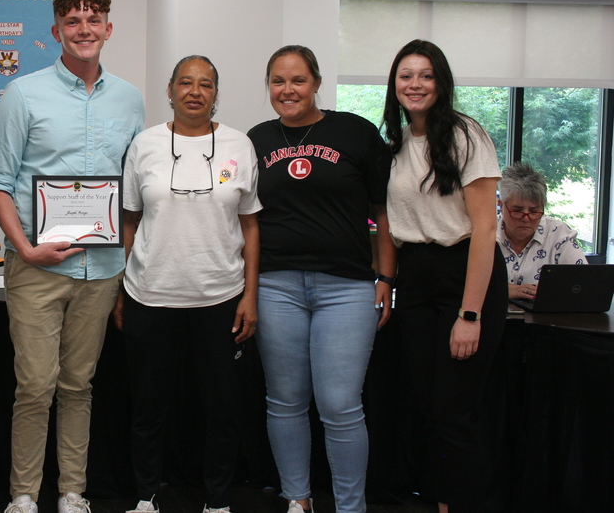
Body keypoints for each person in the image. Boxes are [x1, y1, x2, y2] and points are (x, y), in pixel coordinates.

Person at [0, 0, 145, 513]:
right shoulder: (22, 95)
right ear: (56, 31)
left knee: (80, 384)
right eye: (72, 20)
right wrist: (24, 249)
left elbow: (134, 188)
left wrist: (126, 253)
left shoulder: (130, 99)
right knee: (34, 386)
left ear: (108, 29)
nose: (83, 29)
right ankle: (24, 494)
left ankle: (72, 492)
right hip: (36, 267)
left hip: (101, 268)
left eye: (93, 19)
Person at [246, 45, 393, 513]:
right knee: (285, 400)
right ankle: (298, 500)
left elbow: (383, 213)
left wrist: (386, 277)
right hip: (276, 286)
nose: (287, 90)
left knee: (340, 405)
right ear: (268, 86)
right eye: (277, 81)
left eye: (297, 80)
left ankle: (351, 507)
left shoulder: (355, 131)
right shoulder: (256, 139)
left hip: (346, 288)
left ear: (316, 82)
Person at [114, 55, 261, 513]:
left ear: (216, 93)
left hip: (220, 296)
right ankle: (145, 496)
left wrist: (250, 295)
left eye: (205, 84)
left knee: (222, 409)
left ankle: (217, 500)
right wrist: (122, 288)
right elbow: (129, 220)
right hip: (151, 294)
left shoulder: (240, 144)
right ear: (170, 89)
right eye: (186, 83)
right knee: (148, 408)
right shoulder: (145, 144)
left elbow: (252, 225)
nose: (195, 91)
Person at [383, 39, 508, 513]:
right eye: (406, 76)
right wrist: (388, 283)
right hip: (416, 279)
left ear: (442, 82)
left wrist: (470, 313)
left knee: (454, 413)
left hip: (465, 276)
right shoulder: (395, 142)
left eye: (426, 75)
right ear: (394, 85)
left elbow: (484, 228)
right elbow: (391, 226)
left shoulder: (465, 135)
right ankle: (442, 502)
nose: (415, 84)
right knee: (429, 409)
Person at [496, 162, 587, 301]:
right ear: (501, 205)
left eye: (534, 211)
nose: (526, 219)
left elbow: (582, 284)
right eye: (517, 211)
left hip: (544, 320)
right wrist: (502, 290)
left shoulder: (559, 235)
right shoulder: (483, 232)